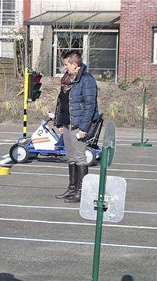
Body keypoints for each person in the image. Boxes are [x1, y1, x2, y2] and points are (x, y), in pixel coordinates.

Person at [53, 50, 99, 203]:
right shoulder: (67, 79)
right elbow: (61, 101)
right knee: (71, 157)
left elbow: (90, 105)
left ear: (74, 64)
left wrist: (84, 128)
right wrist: (59, 122)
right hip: (67, 124)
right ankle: (72, 188)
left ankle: (82, 191)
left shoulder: (87, 80)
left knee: (80, 158)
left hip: (79, 125)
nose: (65, 67)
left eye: (67, 64)